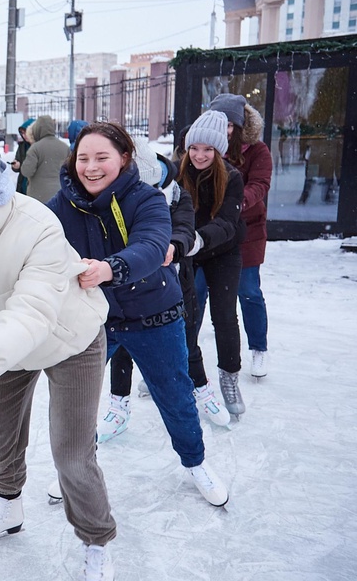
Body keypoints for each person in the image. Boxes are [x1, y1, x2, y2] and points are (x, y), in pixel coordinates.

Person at [0, 103, 117, 581]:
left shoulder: (36, 225)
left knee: (72, 454)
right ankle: (9, 507)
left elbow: (32, 310)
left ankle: (96, 540)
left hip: (68, 338)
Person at [47, 121, 230, 508]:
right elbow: (27, 231)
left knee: (175, 395)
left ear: (125, 157)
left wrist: (109, 268)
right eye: (83, 158)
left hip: (153, 315)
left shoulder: (146, 198)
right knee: (74, 401)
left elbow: (151, 246)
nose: (91, 167)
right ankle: (73, 470)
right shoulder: (62, 205)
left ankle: (195, 462)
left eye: (102, 157)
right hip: (95, 317)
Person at [97, 137, 230, 444]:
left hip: (171, 284)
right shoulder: (114, 192)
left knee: (185, 341)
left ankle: (201, 390)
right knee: (121, 347)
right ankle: (119, 407)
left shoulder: (174, 194)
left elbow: (184, 227)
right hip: (122, 286)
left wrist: (172, 245)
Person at [178, 110, 247, 419]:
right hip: (188, 250)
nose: (199, 155)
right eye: (194, 148)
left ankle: (229, 377)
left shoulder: (232, 177)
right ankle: (181, 370)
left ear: (219, 150)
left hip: (223, 250)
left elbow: (229, 223)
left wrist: (199, 239)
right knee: (183, 316)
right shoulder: (178, 174)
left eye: (208, 149)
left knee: (224, 315)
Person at [200, 94, 272, 379]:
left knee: (249, 291)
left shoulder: (258, 151)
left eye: (230, 123)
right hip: (209, 234)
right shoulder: (205, 147)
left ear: (240, 125)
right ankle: (178, 355)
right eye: (221, 122)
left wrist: (236, 201)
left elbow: (260, 183)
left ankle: (259, 348)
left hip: (246, 232)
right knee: (195, 293)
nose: (225, 129)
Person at [20, 114, 71, 204]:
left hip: (38, 197)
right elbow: (70, 171)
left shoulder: (35, 148)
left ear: (37, 129)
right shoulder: (65, 147)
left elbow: (26, 171)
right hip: (60, 195)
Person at [10, 117, 36, 195]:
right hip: (23, 184)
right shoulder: (22, 146)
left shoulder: (39, 146)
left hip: (35, 184)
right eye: (22, 133)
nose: (24, 135)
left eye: (25, 132)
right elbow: (18, 160)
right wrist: (16, 166)